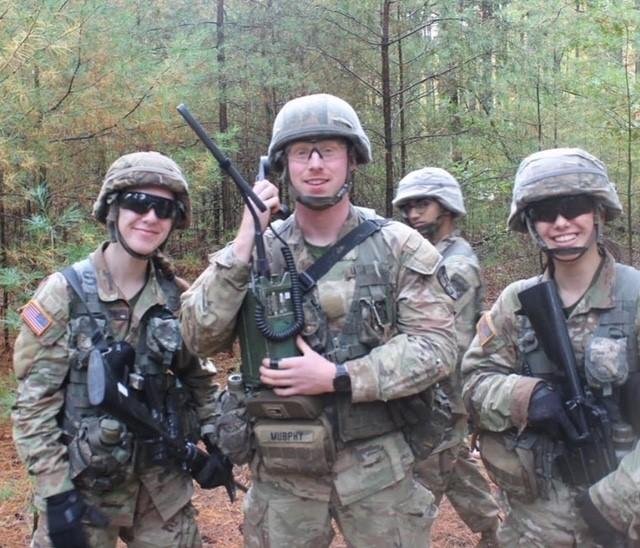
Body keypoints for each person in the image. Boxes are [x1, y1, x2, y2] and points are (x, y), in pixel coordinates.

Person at [180, 93, 458, 547]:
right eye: (300, 152)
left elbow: (436, 347)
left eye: (328, 150)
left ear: (351, 160)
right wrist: (245, 239)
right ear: (283, 166)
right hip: (283, 470)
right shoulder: (256, 248)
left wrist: (338, 376)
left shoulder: (399, 247)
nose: (314, 164)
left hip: (377, 467)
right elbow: (197, 336)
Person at [12, 151, 231, 548]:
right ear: (113, 208)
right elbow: (33, 407)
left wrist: (215, 438)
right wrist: (55, 493)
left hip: (161, 489)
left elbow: (199, 380)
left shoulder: (175, 297)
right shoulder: (65, 294)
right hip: (84, 488)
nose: (150, 217)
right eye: (138, 202)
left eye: (163, 208)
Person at [461, 147, 640, 547]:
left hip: (623, 520)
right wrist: (525, 395)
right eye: (544, 212)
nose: (560, 222)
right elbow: (472, 383)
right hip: (533, 527)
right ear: (529, 223)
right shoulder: (516, 303)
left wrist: (616, 501)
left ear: (598, 212)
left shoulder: (636, 297)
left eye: (573, 205)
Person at [393, 167, 501, 547]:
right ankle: (495, 532)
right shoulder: (431, 257)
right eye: (407, 207)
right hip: (438, 397)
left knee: (417, 492)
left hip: (438, 397)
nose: (412, 214)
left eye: (422, 204)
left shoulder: (455, 265)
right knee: (454, 465)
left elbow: (447, 346)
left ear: (448, 207)